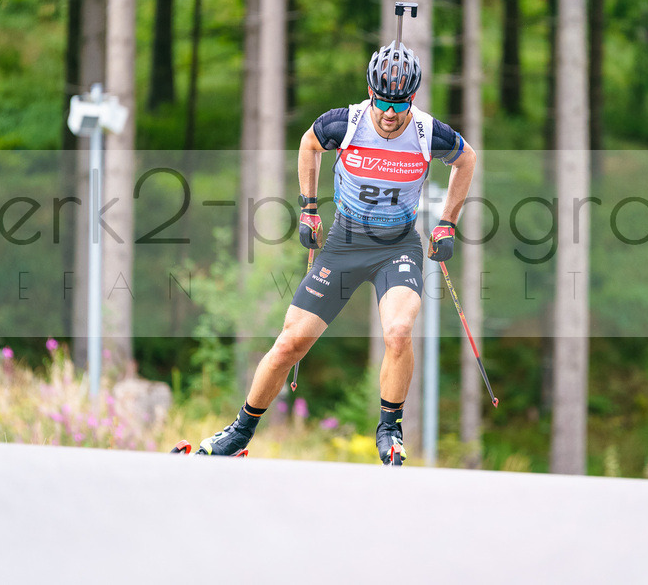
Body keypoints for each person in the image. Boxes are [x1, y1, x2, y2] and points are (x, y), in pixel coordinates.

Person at [195, 39, 476, 465]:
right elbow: (308, 144)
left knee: (398, 330)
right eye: (381, 101)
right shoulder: (344, 123)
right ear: (370, 93)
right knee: (291, 343)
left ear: (411, 100)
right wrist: (309, 208)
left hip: (397, 245)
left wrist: (447, 222)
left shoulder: (426, 132)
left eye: (398, 104)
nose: (389, 113)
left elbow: (466, 159)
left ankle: (389, 431)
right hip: (345, 242)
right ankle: (239, 431)